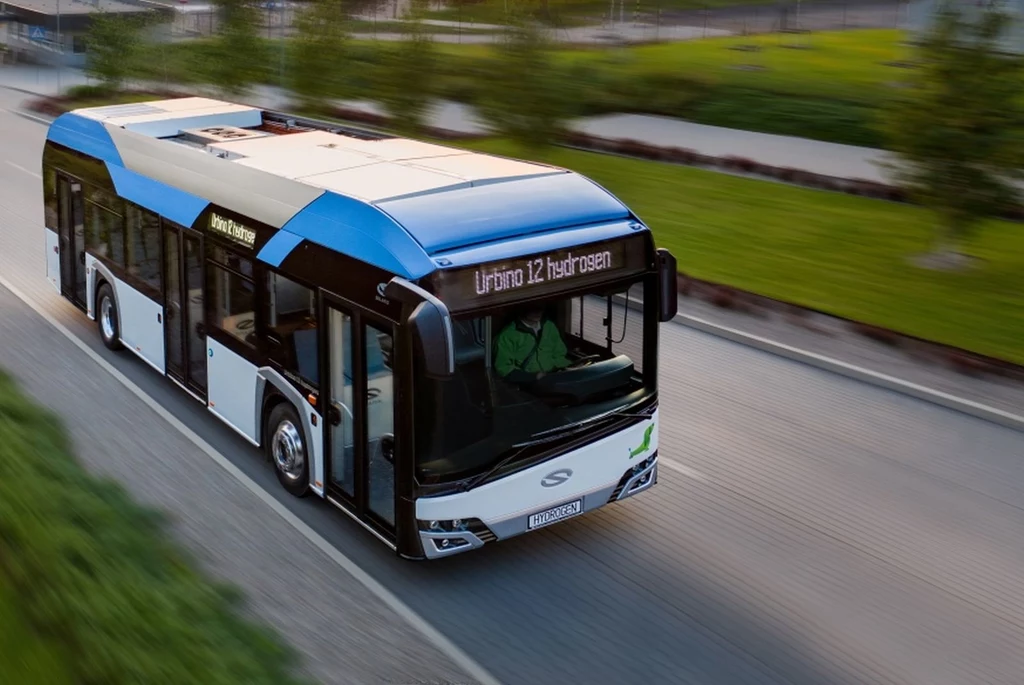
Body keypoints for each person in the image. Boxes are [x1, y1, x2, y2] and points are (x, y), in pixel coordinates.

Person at [494, 306, 571, 383]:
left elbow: (560, 354)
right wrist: (532, 377)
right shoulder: (507, 335)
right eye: (533, 307)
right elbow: (503, 368)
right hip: (527, 383)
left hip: (554, 378)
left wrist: (569, 368)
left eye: (540, 306)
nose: (538, 312)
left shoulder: (549, 326)